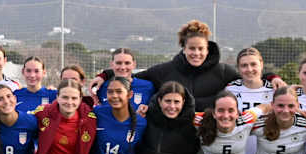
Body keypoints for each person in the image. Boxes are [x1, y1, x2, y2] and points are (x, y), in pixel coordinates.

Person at [91, 21, 283, 112]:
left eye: (201, 49)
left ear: (207, 49)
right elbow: (130, 76)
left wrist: (272, 77)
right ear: (184, 48)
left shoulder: (223, 72)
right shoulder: (164, 71)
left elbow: (250, 77)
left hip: (210, 137)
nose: (196, 53)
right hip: (176, 137)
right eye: (191, 48)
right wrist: (105, 74)